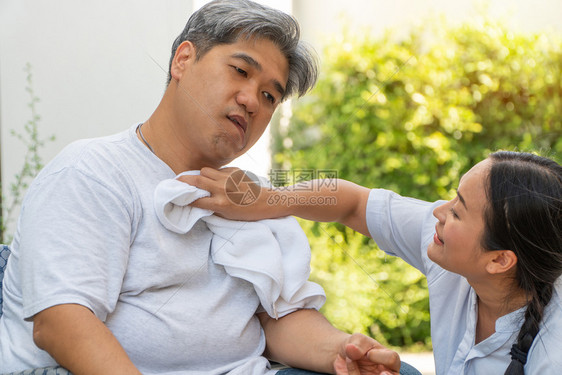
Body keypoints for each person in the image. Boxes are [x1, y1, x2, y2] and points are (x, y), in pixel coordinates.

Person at [0, 1, 407, 374]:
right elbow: (60, 322)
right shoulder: (92, 172)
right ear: (183, 60)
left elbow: (278, 316)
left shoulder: (251, 196)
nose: (252, 101)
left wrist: (341, 350)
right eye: (240, 71)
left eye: (269, 95)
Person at [182, 151, 562, 375]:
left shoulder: (553, 351)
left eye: (459, 211)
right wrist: (264, 200)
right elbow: (353, 203)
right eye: (452, 198)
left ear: (499, 260)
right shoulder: (449, 245)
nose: (440, 213)